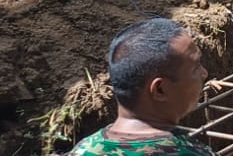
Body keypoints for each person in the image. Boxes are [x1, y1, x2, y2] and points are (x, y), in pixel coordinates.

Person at [68, 18, 214, 156]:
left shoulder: (83, 149)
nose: (204, 73)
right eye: (196, 68)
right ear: (160, 90)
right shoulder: (189, 153)